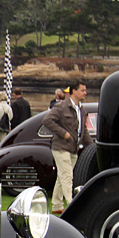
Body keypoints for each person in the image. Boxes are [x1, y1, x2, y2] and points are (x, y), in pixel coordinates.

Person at [43, 81, 92, 215]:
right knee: (67, 176)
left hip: (73, 148)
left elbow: (84, 131)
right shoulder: (61, 107)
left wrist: (91, 146)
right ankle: (72, 205)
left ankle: (57, 205)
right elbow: (47, 120)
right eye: (82, 90)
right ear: (74, 91)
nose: (85, 93)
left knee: (62, 177)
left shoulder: (82, 109)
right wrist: (63, 133)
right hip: (60, 147)